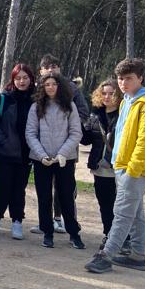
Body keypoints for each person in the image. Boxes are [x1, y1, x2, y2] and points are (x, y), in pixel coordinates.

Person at [85, 59, 145, 274]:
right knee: (136, 212)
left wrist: (133, 169)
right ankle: (137, 256)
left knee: (122, 212)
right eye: (121, 79)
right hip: (122, 166)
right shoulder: (127, 102)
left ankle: (106, 256)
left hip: (135, 169)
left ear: (140, 78)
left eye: (129, 78)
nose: (123, 83)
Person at [25, 71, 84, 250]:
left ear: (60, 86)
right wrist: (41, 155)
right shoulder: (36, 107)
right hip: (42, 160)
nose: (50, 87)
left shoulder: (69, 106)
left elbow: (76, 133)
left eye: (54, 84)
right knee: (44, 197)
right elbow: (30, 133)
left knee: (66, 196)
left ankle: (74, 233)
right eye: (47, 84)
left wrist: (63, 154)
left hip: (64, 160)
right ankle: (47, 232)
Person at [36, 54, 91, 234]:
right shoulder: (37, 89)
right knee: (44, 187)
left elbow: (83, 113)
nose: (51, 70)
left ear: (59, 69)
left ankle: (61, 220)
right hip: (41, 147)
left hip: (66, 148)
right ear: (41, 71)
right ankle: (45, 223)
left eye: (54, 66)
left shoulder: (72, 88)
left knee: (64, 186)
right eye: (47, 67)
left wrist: (66, 129)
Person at [0, 63, 36, 239]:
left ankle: (17, 221)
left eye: (25, 78)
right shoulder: (3, 99)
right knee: (2, 187)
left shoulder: (37, 100)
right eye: (18, 78)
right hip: (2, 153)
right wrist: (4, 141)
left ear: (31, 79)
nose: (22, 81)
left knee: (19, 189)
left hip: (25, 153)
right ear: (13, 80)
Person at [85, 78, 122, 250]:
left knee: (120, 205)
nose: (107, 97)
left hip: (119, 166)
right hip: (100, 167)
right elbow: (86, 140)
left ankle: (123, 238)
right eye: (104, 93)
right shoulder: (95, 114)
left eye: (111, 93)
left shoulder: (124, 115)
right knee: (105, 204)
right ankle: (108, 234)